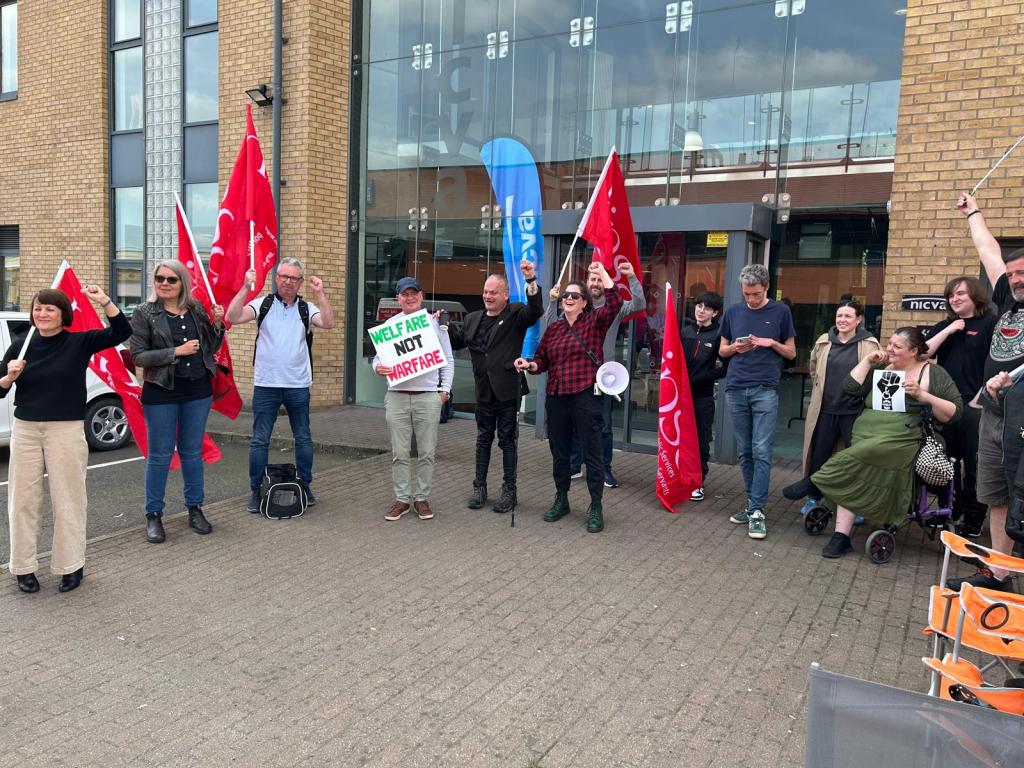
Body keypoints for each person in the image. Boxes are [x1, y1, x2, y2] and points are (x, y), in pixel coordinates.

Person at [2, 284, 131, 593]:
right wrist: (9, 375)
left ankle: (70, 565)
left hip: (66, 429)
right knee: (23, 501)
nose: (42, 313)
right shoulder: (21, 344)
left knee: (69, 499)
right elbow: (0, 388)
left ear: (62, 314)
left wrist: (104, 301)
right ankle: (23, 567)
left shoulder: (79, 342)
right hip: (27, 429)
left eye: (49, 308)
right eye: (38, 308)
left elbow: (120, 332)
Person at [799, 328, 962, 558]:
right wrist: (866, 361)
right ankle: (841, 536)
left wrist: (923, 396)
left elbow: (955, 412)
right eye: (890, 344)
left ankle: (816, 483)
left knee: (859, 455)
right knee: (860, 457)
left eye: (897, 346)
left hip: (903, 438)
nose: (889, 349)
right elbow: (851, 388)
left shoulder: (932, 373)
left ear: (914, 351)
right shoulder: (882, 369)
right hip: (869, 433)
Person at [944, 192, 1024, 592]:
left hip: (1022, 420)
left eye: (1023, 272)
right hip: (994, 415)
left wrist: (1015, 377)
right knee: (996, 495)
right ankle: (999, 573)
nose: (1016, 278)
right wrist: (973, 211)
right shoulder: (1008, 297)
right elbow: (987, 248)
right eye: (1013, 274)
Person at [515, 262, 622, 533]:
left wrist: (605, 276)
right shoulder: (554, 328)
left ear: (585, 302)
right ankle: (561, 498)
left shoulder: (595, 322)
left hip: (586, 395)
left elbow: (615, 302)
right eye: (565, 296)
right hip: (557, 396)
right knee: (559, 451)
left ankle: (595, 505)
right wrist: (530, 365)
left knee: (593, 451)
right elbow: (542, 359)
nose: (568, 299)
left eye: (574, 296)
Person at [225, 257, 335, 512]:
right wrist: (244, 287)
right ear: (276, 278)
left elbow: (328, 323)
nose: (288, 282)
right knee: (259, 440)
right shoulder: (262, 304)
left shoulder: (306, 308)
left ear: (300, 282)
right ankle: (256, 490)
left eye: (294, 278)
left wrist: (320, 293)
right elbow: (232, 317)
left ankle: (305, 485)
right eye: (284, 276)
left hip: (298, 385)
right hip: (266, 385)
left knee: (303, 438)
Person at [131, 260, 225, 544]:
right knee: (159, 455)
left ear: (182, 282)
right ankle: (154, 515)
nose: (164, 284)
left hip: (197, 390)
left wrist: (218, 324)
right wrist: (176, 351)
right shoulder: (144, 313)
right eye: (159, 278)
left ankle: (195, 509)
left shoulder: (196, 309)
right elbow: (138, 356)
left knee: (191, 452)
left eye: (171, 279)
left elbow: (210, 347)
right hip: (161, 391)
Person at [448, 258, 543, 513]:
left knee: (507, 442)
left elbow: (536, 310)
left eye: (493, 292)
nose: (488, 296)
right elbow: (455, 341)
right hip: (483, 392)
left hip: (507, 390)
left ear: (505, 294)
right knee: (482, 440)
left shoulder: (515, 313)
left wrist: (531, 280)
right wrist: (435, 326)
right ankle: (479, 488)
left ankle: (509, 491)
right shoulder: (472, 318)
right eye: (485, 292)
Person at [545, 260, 644, 487]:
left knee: (604, 426)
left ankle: (604, 468)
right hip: (576, 377)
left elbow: (639, 304)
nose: (596, 283)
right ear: (586, 284)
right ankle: (574, 464)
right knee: (575, 424)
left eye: (600, 279)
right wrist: (552, 302)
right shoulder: (574, 307)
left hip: (603, 378)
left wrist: (631, 277)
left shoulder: (613, 308)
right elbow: (551, 327)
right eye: (592, 279)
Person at [718, 263, 796, 540]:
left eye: (755, 294)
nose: (750, 299)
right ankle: (752, 505)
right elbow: (722, 351)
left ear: (766, 288)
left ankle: (758, 511)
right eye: (746, 293)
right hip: (736, 388)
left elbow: (791, 352)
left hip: (765, 388)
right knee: (745, 451)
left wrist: (770, 343)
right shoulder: (734, 312)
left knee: (762, 450)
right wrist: (735, 348)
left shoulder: (781, 312)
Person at [786, 297, 881, 514]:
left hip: (854, 413)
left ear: (858, 320)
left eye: (848, 316)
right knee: (819, 457)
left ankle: (854, 505)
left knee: (855, 459)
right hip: (826, 410)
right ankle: (813, 497)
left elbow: (876, 376)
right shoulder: (823, 341)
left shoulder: (869, 344)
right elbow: (813, 369)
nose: (842, 320)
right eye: (839, 316)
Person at [373, 276, 454, 521]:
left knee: (427, 452)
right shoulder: (390, 326)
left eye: (414, 293)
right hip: (397, 396)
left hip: (428, 397)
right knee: (399, 453)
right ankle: (402, 499)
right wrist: (378, 368)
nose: (409, 298)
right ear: (398, 298)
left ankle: (421, 498)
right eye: (404, 294)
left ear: (421, 296)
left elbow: (448, 360)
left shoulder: (434, 323)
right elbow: (378, 359)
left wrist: (444, 392)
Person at [924, 276, 996, 538]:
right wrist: (949, 330)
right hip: (945, 403)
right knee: (945, 460)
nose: (954, 299)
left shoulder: (990, 323)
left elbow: (998, 361)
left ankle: (974, 519)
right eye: (951, 296)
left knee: (974, 465)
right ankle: (948, 511)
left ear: (975, 296)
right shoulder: (945, 325)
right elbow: (923, 354)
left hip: (975, 404)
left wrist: (983, 394)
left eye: (960, 294)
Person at [682, 290, 727, 501]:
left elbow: (725, 368)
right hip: (681, 397)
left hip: (703, 398)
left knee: (701, 440)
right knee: (681, 439)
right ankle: (680, 477)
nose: (701, 310)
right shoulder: (685, 331)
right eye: (699, 305)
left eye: (707, 308)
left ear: (715, 313)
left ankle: (697, 482)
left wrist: (703, 377)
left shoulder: (719, 336)